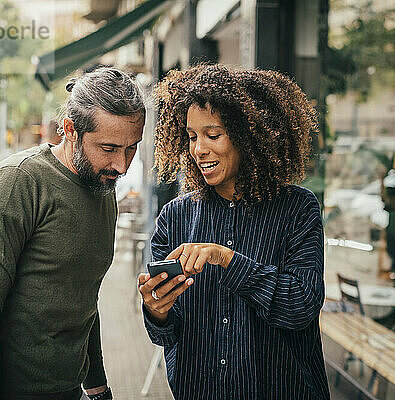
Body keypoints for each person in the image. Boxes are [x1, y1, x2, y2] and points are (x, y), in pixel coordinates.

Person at [137, 64, 330, 399]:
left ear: (247, 134)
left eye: (213, 135)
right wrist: (157, 309)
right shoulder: (174, 218)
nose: (199, 149)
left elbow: (301, 306)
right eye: (193, 136)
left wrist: (227, 260)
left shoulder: (297, 209)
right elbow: (166, 334)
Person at [0, 67, 145, 400]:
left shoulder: (103, 187)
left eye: (131, 148)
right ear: (70, 129)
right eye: (109, 148)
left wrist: (97, 386)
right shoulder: (17, 183)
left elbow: (81, 295)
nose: (122, 166)